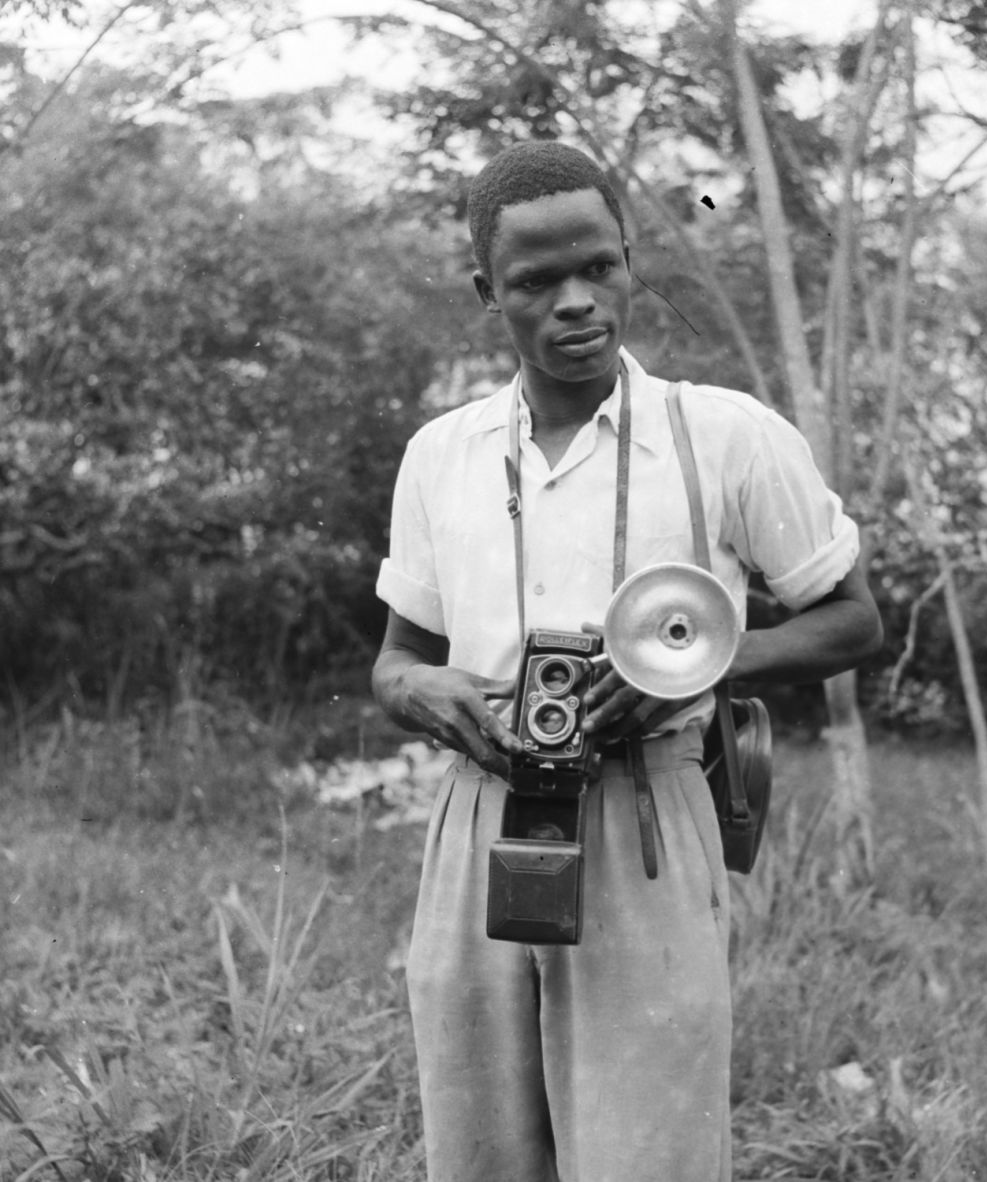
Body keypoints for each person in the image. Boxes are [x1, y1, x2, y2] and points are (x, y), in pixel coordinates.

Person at [371, 140, 882, 1182]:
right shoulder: (443, 455)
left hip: (647, 815)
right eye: (535, 282)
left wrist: (691, 672)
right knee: (479, 1151)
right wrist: (426, 691)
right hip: (480, 818)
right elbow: (395, 664)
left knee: (645, 1153)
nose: (575, 302)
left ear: (630, 261)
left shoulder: (724, 436)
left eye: (598, 268)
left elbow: (851, 621)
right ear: (487, 292)